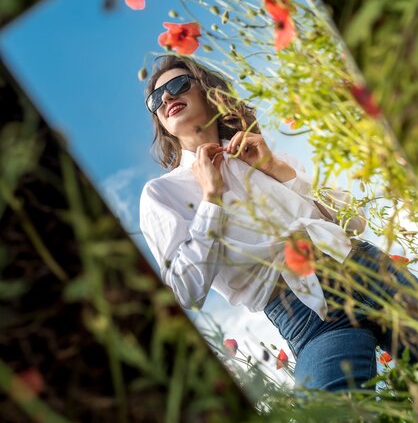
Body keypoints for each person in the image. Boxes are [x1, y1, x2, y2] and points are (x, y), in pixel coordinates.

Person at [140, 54, 418, 392]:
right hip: (309, 318)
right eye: (156, 98)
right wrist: (211, 199)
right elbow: (185, 290)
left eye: (177, 84)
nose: (166, 97)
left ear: (207, 90)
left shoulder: (265, 153)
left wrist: (278, 170)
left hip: (368, 268)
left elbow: (354, 220)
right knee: (334, 410)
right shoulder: (162, 193)